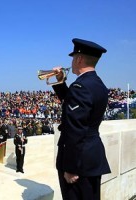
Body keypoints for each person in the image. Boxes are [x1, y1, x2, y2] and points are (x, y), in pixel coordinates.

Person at [52, 38, 111, 200]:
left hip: (78, 163)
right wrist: (60, 81)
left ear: (79, 59)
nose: (71, 62)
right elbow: (72, 103)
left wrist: (71, 167)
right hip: (91, 157)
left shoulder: (80, 87)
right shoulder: (97, 84)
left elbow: (75, 129)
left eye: (73, 58)